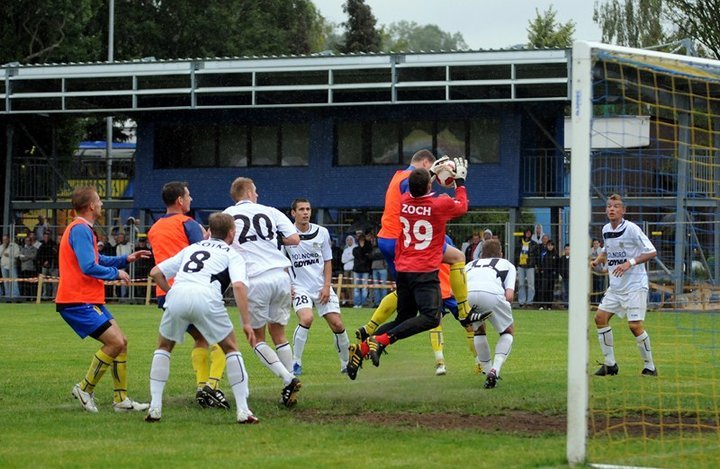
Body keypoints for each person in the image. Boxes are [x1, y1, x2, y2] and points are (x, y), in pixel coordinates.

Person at [347, 161, 477, 380]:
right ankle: (379, 341)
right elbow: (462, 205)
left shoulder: (405, 201)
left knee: (404, 317)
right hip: (424, 270)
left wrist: (432, 173)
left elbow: (417, 187)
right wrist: (460, 181)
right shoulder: (439, 205)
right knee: (431, 318)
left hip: (405, 269)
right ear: (429, 187)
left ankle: (361, 348)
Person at [146, 213, 258, 424]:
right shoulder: (232, 254)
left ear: (209, 231)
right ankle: (243, 411)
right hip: (207, 297)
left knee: (163, 347)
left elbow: (155, 272)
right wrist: (246, 322)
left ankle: (155, 407)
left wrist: (170, 292)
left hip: (178, 294)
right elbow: (239, 286)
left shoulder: (192, 248)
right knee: (231, 348)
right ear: (231, 233)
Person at [55, 186, 150, 413]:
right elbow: (88, 266)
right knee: (115, 342)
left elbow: (96, 259)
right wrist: (116, 274)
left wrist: (125, 259)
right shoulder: (79, 229)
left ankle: (121, 400)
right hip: (77, 300)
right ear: (91, 206)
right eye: (99, 201)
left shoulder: (83, 228)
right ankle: (85, 388)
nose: (102, 204)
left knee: (122, 343)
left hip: (87, 299)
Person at [147, 181, 229, 409]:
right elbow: (204, 253)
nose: (191, 199)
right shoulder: (188, 223)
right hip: (191, 289)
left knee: (198, 339)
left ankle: (202, 387)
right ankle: (211, 386)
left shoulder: (154, 228)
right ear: (180, 200)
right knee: (222, 341)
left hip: (166, 292)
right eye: (189, 195)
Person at [223, 177, 302, 407]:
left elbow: (217, 241)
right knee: (279, 334)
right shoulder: (271, 211)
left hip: (254, 278)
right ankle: (289, 385)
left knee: (257, 338)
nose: (257, 195)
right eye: (255, 191)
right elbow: (294, 239)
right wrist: (270, 239)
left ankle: (288, 379)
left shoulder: (227, 215)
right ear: (248, 192)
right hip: (280, 276)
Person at [591, 194, 658, 377]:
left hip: (635, 285)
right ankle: (610, 365)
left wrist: (630, 263)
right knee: (600, 318)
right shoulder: (606, 229)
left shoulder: (632, 229)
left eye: (616, 206)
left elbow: (652, 251)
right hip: (616, 287)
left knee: (635, 325)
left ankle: (650, 367)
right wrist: (597, 260)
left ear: (623, 210)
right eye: (609, 206)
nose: (612, 209)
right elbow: (607, 248)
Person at [285, 198, 350, 376]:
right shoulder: (286, 235)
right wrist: (287, 284)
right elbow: (282, 262)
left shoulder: (322, 232)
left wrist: (327, 286)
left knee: (337, 324)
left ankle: (346, 363)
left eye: (308, 209)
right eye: (301, 209)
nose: (305, 212)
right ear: (293, 213)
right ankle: (296, 362)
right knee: (307, 319)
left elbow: (328, 261)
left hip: (321, 286)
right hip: (299, 287)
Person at [464, 239, 517, 389]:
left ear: (481, 254)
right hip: (492, 294)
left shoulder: (470, 265)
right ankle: (495, 370)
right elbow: (509, 295)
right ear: (500, 254)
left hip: (468, 296)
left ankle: (487, 372)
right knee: (508, 331)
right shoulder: (506, 264)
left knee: (479, 331)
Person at [515, 228, 538, 308]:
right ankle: (521, 301)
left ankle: (529, 302)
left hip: (530, 266)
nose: (528, 234)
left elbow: (536, 255)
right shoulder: (519, 242)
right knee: (521, 284)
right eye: (527, 232)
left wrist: (535, 265)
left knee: (531, 284)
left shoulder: (534, 244)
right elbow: (516, 253)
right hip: (521, 266)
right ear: (524, 233)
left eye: (529, 232)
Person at [536, 239, 559, 309]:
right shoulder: (543, 253)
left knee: (550, 290)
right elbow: (539, 262)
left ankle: (549, 306)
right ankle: (541, 305)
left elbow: (558, 265)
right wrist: (541, 270)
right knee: (543, 290)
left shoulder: (555, 254)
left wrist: (556, 273)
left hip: (552, 275)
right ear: (547, 246)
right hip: (544, 274)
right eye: (549, 245)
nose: (550, 247)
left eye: (552, 245)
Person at [351, 231, 372, 308]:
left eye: (363, 240)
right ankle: (357, 303)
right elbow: (358, 254)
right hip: (357, 269)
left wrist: (365, 246)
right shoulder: (355, 249)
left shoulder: (368, 248)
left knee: (364, 287)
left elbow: (368, 256)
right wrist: (361, 248)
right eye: (360, 240)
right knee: (356, 287)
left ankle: (363, 303)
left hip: (365, 270)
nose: (362, 241)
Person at [36, 231, 58, 299]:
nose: (46, 237)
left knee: (54, 282)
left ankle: (54, 296)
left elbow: (54, 254)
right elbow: (39, 254)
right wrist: (42, 262)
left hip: (52, 265)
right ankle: (45, 296)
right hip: (44, 266)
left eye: (48, 236)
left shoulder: (53, 244)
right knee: (44, 282)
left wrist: (48, 260)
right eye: (45, 236)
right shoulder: (41, 244)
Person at [369, 234, 388, 307]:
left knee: (383, 286)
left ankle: (383, 302)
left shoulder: (382, 247)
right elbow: (370, 256)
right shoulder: (372, 249)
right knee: (376, 287)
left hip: (383, 267)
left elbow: (382, 255)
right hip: (374, 267)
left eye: (374, 240)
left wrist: (375, 255)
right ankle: (377, 302)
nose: (372, 242)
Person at [0, 234, 20, 301]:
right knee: (6, 282)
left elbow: (17, 255)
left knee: (14, 281)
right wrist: (4, 248)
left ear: (9, 239)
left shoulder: (14, 245)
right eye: (3, 240)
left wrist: (9, 255)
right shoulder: (1, 246)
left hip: (11, 265)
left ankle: (16, 296)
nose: (4, 241)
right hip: (4, 265)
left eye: (6, 239)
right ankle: (8, 296)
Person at [340, 235, 355, 306]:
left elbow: (354, 257)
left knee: (353, 285)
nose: (349, 241)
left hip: (353, 269)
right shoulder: (345, 250)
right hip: (346, 269)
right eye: (348, 240)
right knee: (346, 286)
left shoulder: (355, 248)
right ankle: (348, 301)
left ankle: (353, 301)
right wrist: (350, 258)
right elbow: (343, 260)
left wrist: (348, 258)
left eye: (351, 240)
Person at [590, 238, 606, 304]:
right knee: (593, 287)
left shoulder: (602, 251)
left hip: (600, 272)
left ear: (599, 244)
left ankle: (600, 302)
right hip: (592, 273)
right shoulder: (590, 251)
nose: (595, 245)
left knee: (601, 287)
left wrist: (604, 269)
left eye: (597, 243)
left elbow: (605, 260)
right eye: (594, 244)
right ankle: (593, 302)